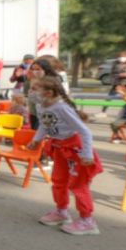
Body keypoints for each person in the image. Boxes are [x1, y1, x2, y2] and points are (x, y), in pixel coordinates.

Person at [28, 76, 103, 235]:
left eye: (34, 89)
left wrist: (87, 154)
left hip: (77, 150)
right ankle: (61, 212)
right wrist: (36, 140)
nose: (30, 92)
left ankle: (87, 221)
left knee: (78, 185)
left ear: (48, 93)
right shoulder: (41, 106)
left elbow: (85, 131)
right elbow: (44, 124)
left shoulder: (61, 108)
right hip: (59, 147)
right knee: (58, 181)